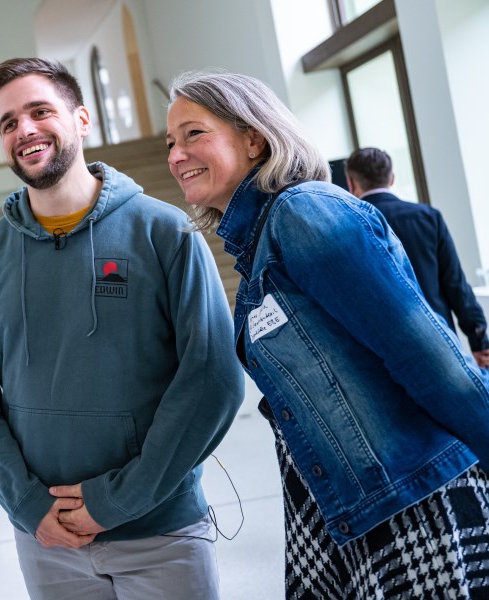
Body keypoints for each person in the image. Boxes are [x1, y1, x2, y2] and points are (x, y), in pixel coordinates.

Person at [166, 70, 489, 597]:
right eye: (170, 143)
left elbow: (427, 356)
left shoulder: (304, 213)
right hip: (341, 507)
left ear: (254, 138)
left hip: (413, 501)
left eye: (194, 134)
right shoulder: (260, 248)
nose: (177, 155)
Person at [0, 57, 244, 599]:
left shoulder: (166, 232)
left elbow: (212, 378)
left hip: (160, 531)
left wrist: (117, 501)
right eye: (9, 122)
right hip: (47, 540)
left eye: (40, 111)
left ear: (82, 120)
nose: (25, 130)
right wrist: (27, 504)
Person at [345, 147, 489, 368]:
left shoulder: (349, 226)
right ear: (392, 178)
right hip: (441, 340)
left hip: (385, 350)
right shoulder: (428, 217)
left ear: (351, 183)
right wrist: (479, 341)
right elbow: (455, 284)